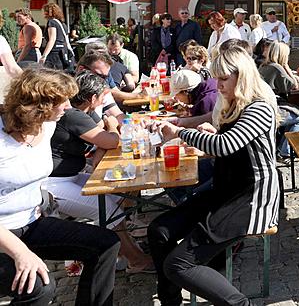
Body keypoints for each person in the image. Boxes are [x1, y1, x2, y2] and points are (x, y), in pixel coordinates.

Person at [150, 46, 280, 306]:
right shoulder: (233, 104)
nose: (217, 85)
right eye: (216, 78)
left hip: (251, 199)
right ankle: (170, 301)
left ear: (241, 77)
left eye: (223, 79)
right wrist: (203, 131)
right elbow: (224, 144)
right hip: (226, 191)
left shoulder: (259, 107)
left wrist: (180, 133)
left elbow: (225, 145)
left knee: (178, 265)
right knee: (158, 231)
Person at [0, 68, 120, 305]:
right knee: (39, 286)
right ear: (39, 105)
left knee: (106, 244)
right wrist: (20, 252)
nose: (68, 106)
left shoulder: (48, 126)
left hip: (30, 223)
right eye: (61, 101)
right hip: (4, 234)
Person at [44, 71, 152, 272]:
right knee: (109, 209)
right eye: (103, 96)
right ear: (93, 98)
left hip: (71, 176)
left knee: (116, 192)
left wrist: (102, 145)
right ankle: (136, 260)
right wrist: (110, 129)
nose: (106, 100)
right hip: (53, 184)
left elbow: (103, 141)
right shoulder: (73, 115)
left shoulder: (84, 111)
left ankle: (117, 252)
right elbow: (111, 139)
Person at [39, 3, 70, 71]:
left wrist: (44, 56)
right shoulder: (63, 24)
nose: (43, 13)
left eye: (45, 11)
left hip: (54, 53)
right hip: (62, 52)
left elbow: (52, 39)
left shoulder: (51, 22)